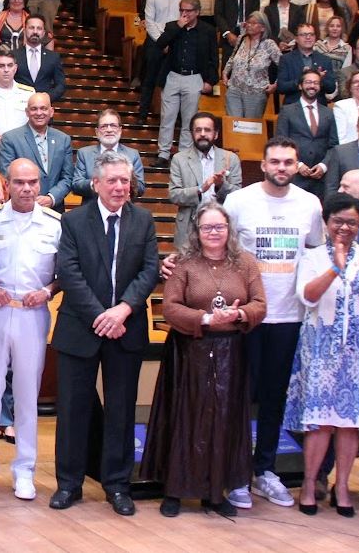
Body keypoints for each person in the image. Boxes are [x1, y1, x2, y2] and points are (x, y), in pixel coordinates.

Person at [49, 150, 160, 516]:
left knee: (121, 410)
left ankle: (117, 485)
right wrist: (101, 315)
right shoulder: (73, 221)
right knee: (73, 409)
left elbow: (149, 270)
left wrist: (123, 310)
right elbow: (68, 272)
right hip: (81, 326)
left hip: (126, 327)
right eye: (112, 181)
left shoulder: (143, 220)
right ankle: (69, 483)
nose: (119, 187)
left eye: (125, 181)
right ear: (95, 184)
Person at [144, 201, 265, 518]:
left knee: (222, 422)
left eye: (219, 226)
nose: (214, 232)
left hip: (231, 353)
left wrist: (239, 314)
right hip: (189, 351)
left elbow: (260, 304)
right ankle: (174, 491)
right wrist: (206, 318)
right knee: (183, 419)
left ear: (229, 229)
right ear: (197, 231)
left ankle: (214, 493)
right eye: (207, 227)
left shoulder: (246, 263)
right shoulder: (183, 263)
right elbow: (170, 307)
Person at [223, 138, 325, 509]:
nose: (282, 168)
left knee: (273, 398)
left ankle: (264, 470)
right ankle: (235, 473)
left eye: (288, 162)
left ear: (297, 166)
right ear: (263, 165)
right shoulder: (239, 201)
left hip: (289, 317)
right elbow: (222, 252)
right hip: (246, 316)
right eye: (275, 162)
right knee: (238, 396)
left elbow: (315, 253)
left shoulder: (310, 204)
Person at [284, 194, 359, 517]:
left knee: (349, 423)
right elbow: (307, 296)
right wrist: (335, 268)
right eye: (338, 221)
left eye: (352, 222)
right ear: (327, 223)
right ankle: (309, 484)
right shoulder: (312, 256)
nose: (344, 227)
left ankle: (342, 487)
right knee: (319, 423)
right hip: (321, 349)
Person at [0, 159, 60, 501]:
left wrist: (48, 291)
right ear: (8, 185)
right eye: (19, 182)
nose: (27, 188)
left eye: (32, 182)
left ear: (40, 184)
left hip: (32, 314)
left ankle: (25, 470)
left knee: (26, 394)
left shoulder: (54, 223)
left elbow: (65, 271)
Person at [152, 0, 217, 169]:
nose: (184, 14)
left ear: (197, 12)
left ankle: (183, 156)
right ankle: (163, 154)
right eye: (182, 10)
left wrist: (210, 81)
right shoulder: (172, 26)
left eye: (188, 11)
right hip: (173, 76)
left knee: (189, 119)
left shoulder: (208, 30)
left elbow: (213, 58)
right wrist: (178, 27)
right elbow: (160, 44)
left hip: (194, 77)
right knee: (167, 117)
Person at [168, 111, 243, 245]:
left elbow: (239, 196)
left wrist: (221, 185)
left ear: (216, 134)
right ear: (192, 134)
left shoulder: (231, 158)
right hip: (189, 227)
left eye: (207, 130)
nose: (202, 134)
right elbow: (174, 195)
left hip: (221, 227)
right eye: (198, 130)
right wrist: (200, 189)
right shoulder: (179, 159)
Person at [222, 11, 281, 118]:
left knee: (250, 126)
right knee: (234, 124)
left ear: (263, 27)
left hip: (256, 93)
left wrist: (276, 85)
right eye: (248, 22)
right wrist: (225, 72)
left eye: (253, 23)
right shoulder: (241, 39)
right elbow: (233, 57)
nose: (249, 25)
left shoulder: (269, 44)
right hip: (234, 90)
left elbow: (284, 66)